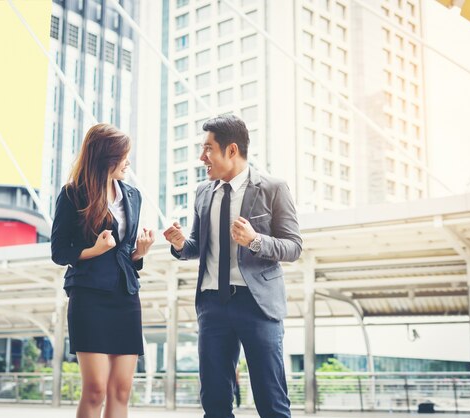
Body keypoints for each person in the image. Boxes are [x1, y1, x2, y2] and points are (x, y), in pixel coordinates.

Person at [163, 115, 302, 418]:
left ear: (231, 150)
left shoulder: (273, 188)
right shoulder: (203, 192)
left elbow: (293, 247)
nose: (203, 158)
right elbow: (196, 247)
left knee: (271, 400)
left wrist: (255, 241)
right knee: (214, 401)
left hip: (258, 305)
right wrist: (178, 244)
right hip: (212, 305)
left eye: (208, 149)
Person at [51, 123, 154, 418]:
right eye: (123, 156)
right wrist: (93, 251)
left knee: (121, 390)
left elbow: (125, 253)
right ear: (105, 158)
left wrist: (140, 253)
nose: (128, 162)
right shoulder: (73, 195)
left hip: (125, 296)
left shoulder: (132, 196)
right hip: (89, 297)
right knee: (95, 389)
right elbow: (59, 252)